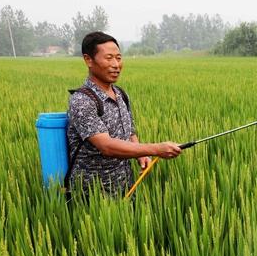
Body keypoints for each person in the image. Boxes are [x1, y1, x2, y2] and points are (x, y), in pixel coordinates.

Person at [67, 31, 181, 199]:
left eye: (118, 58)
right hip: (94, 195)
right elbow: (106, 146)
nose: (116, 64)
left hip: (126, 186)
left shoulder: (120, 94)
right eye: (108, 58)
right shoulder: (82, 101)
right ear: (88, 60)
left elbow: (129, 132)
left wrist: (141, 153)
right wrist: (156, 149)